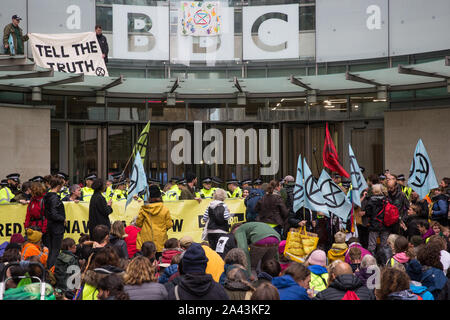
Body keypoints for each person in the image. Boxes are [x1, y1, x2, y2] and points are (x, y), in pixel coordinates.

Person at [135, 185, 173, 255]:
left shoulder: (144, 209)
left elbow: (138, 223)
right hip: (160, 241)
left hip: (146, 242)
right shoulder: (165, 209)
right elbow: (169, 225)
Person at [43, 175, 66, 270]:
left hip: (50, 226)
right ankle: (51, 270)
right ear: (58, 186)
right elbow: (53, 213)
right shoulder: (54, 198)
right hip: (56, 227)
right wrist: (62, 219)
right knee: (55, 251)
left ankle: (49, 269)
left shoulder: (47, 196)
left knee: (51, 250)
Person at [363, 184, 389, 255]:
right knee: (384, 245)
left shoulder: (371, 200)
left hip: (374, 225)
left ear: (374, 191)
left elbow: (368, 213)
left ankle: (371, 260)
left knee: (372, 245)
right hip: (385, 225)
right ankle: (385, 261)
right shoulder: (386, 200)